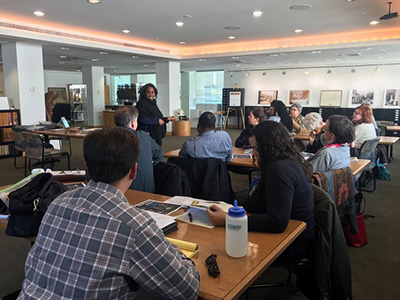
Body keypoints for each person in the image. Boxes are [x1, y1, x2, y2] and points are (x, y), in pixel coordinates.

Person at [18, 128, 200, 300]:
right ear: (134, 170)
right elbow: (188, 289)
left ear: (86, 166)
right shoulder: (133, 225)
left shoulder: (58, 202)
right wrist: (173, 251)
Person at [206, 121, 314, 261]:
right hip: (293, 233)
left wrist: (228, 220)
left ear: (269, 146)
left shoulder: (279, 170)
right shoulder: (289, 160)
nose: (254, 154)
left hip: (291, 242)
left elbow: (277, 222)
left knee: (218, 245)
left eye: (256, 149)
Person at [114, 106, 163, 193]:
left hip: (118, 193)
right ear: (133, 123)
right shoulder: (144, 136)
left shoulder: (107, 139)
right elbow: (159, 154)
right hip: (148, 192)